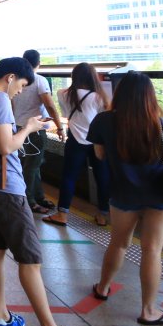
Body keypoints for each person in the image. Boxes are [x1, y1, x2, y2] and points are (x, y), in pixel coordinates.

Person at [0, 57, 97, 326]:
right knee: (31, 260)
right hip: (7, 189)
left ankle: (2, 317)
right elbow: (5, 146)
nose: (18, 92)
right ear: (11, 77)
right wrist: (27, 127)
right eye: (21, 86)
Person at [90, 71, 163, 325]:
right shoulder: (159, 124)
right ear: (149, 96)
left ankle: (102, 287)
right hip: (160, 194)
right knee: (152, 250)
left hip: (123, 192)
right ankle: (149, 310)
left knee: (119, 244)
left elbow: (99, 155)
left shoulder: (103, 121)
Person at [44, 63, 111, 227]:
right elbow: (105, 117)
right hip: (97, 141)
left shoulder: (63, 93)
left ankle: (62, 214)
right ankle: (102, 215)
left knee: (68, 177)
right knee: (102, 177)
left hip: (75, 139)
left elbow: (66, 114)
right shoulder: (99, 97)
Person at [11, 50, 64, 214]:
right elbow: (49, 105)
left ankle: (39, 196)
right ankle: (29, 201)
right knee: (32, 166)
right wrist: (60, 127)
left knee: (33, 165)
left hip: (20, 128)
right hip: (35, 129)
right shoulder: (39, 80)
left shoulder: (17, 81)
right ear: (38, 63)